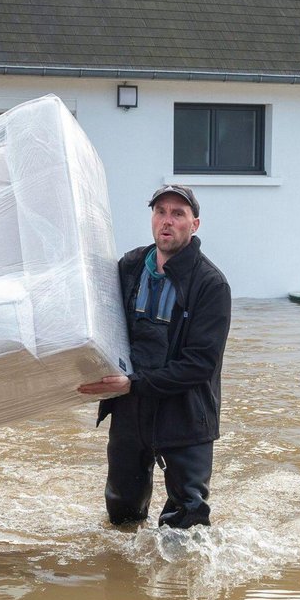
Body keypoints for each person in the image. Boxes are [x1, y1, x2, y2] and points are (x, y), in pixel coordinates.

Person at [78, 184, 231, 528]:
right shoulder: (129, 267)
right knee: (122, 515)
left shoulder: (211, 284)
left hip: (185, 413)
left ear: (194, 224)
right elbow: (101, 326)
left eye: (178, 214)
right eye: (160, 212)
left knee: (187, 521)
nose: (167, 220)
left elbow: (200, 364)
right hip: (130, 409)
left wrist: (132, 383)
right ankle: (123, 564)